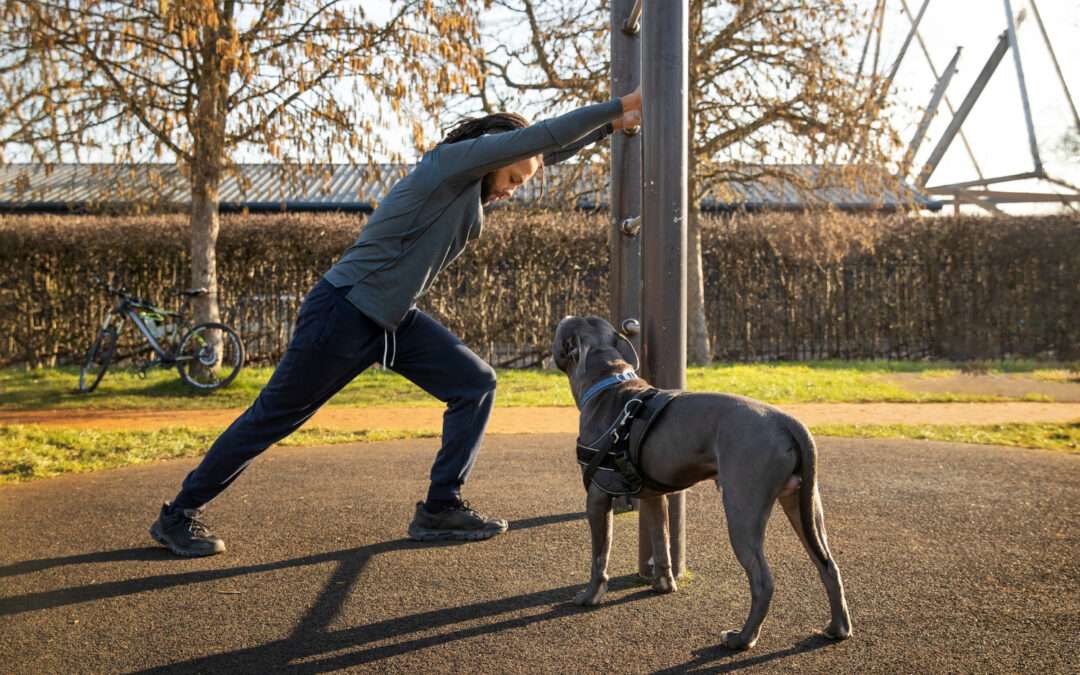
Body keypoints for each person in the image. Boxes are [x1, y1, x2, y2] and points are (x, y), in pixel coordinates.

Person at [149, 88, 644, 556]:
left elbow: (544, 152)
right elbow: (542, 140)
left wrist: (608, 129)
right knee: (273, 418)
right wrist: (621, 104)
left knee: (474, 383)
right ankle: (178, 514)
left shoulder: (474, 180)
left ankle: (441, 508)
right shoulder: (449, 166)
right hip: (344, 310)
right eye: (514, 180)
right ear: (496, 155)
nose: (513, 192)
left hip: (390, 318)